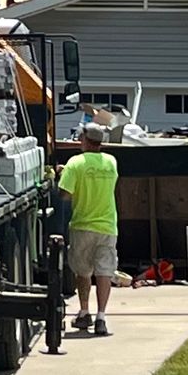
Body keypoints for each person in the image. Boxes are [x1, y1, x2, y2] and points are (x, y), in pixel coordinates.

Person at [58, 123, 119, 337]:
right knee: (104, 271)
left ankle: (84, 312)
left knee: (82, 272)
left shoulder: (75, 163)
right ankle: (101, 317)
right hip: (108, 226)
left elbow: (65, 194)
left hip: (83, 225)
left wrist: (61, 174)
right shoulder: (111, 162)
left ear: (84, 140)